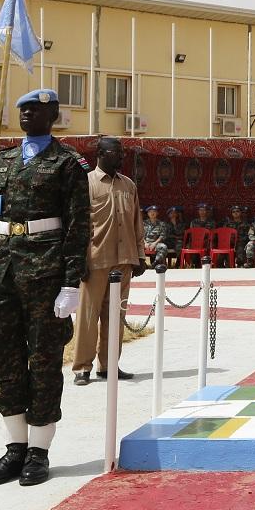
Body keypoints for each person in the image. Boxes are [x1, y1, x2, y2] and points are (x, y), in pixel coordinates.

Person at [0, 88, 90, 487]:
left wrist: (71, 283)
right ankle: (15, 447)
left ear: (54, 116)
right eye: (23, 109)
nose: (27, 115)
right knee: (1, 354)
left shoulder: (67, 163)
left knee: (44, 359)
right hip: (1, 270)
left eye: (35, 109)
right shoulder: (3, 160)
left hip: (45, 272)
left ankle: (39, 450)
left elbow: (78, 226)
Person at [73, 136, 145, 385]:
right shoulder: (87, 183)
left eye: (122, 152)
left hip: (123, 260)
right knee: (88, 316)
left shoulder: (128, 185)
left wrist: (140, 255)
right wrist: (79, 259)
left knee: (116, 316)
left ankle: (108, 366)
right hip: (95, 260)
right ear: (101, 154)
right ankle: (82, 368)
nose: (121, 157)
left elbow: (136, 222)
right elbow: (79, 225)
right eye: (116, 153)